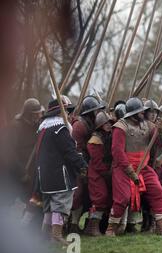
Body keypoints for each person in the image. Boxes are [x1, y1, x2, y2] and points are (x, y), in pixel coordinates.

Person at [106, 97, 162, 236]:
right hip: (123, 168)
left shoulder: (148, 125)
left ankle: (160, 226)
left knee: (157, 190)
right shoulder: (120, 127)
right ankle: (111, 227)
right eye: (141, 112)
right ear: (134, 113)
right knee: (123, 198)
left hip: (143, 166)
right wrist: (130, 171)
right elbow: (117, 152)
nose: (144, 114)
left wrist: (161, 130)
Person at [36, 97, 87, 244]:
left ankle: (44, 235)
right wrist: (82, 165)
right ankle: (56, 235)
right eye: (67, 111)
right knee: (60, 205)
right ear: (60, 112)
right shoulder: (60, 129)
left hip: (45, 174)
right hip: (60, 174)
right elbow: (70, 152)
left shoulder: (43, 128)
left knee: (49, 207)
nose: (70, 115)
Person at [69, 95, 105, 233]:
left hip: (88, 163)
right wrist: (82, 167)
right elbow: (76, 150)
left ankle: (79, 224)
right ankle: (72, 224)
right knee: (77, 195)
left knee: (87, 196)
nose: (97, 113)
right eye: (95, 110)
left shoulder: (91, 123)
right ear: (89, 112)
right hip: (79, 164)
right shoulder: (79, 125)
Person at [7, 98, 44, 226]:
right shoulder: (15, 126)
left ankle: (29, 228)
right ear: (29, 114)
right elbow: (9, 152)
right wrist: (21, 172)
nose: (39, 116)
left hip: (30, 172)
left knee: (34, 201)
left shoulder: (36, 126)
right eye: (36, 114)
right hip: (14, 172)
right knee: (7, 202)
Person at [84, 111, 113, 236]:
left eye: (109, 122)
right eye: (105, 123)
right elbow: (97, 162)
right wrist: (109, 171)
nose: (108, 125)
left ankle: (101, 226)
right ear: (100, 125)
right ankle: (92, 227)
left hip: (106, 172)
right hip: (96, 173)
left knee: (108, 198)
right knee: (100, 197)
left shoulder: (109, 136)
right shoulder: (94, 140)